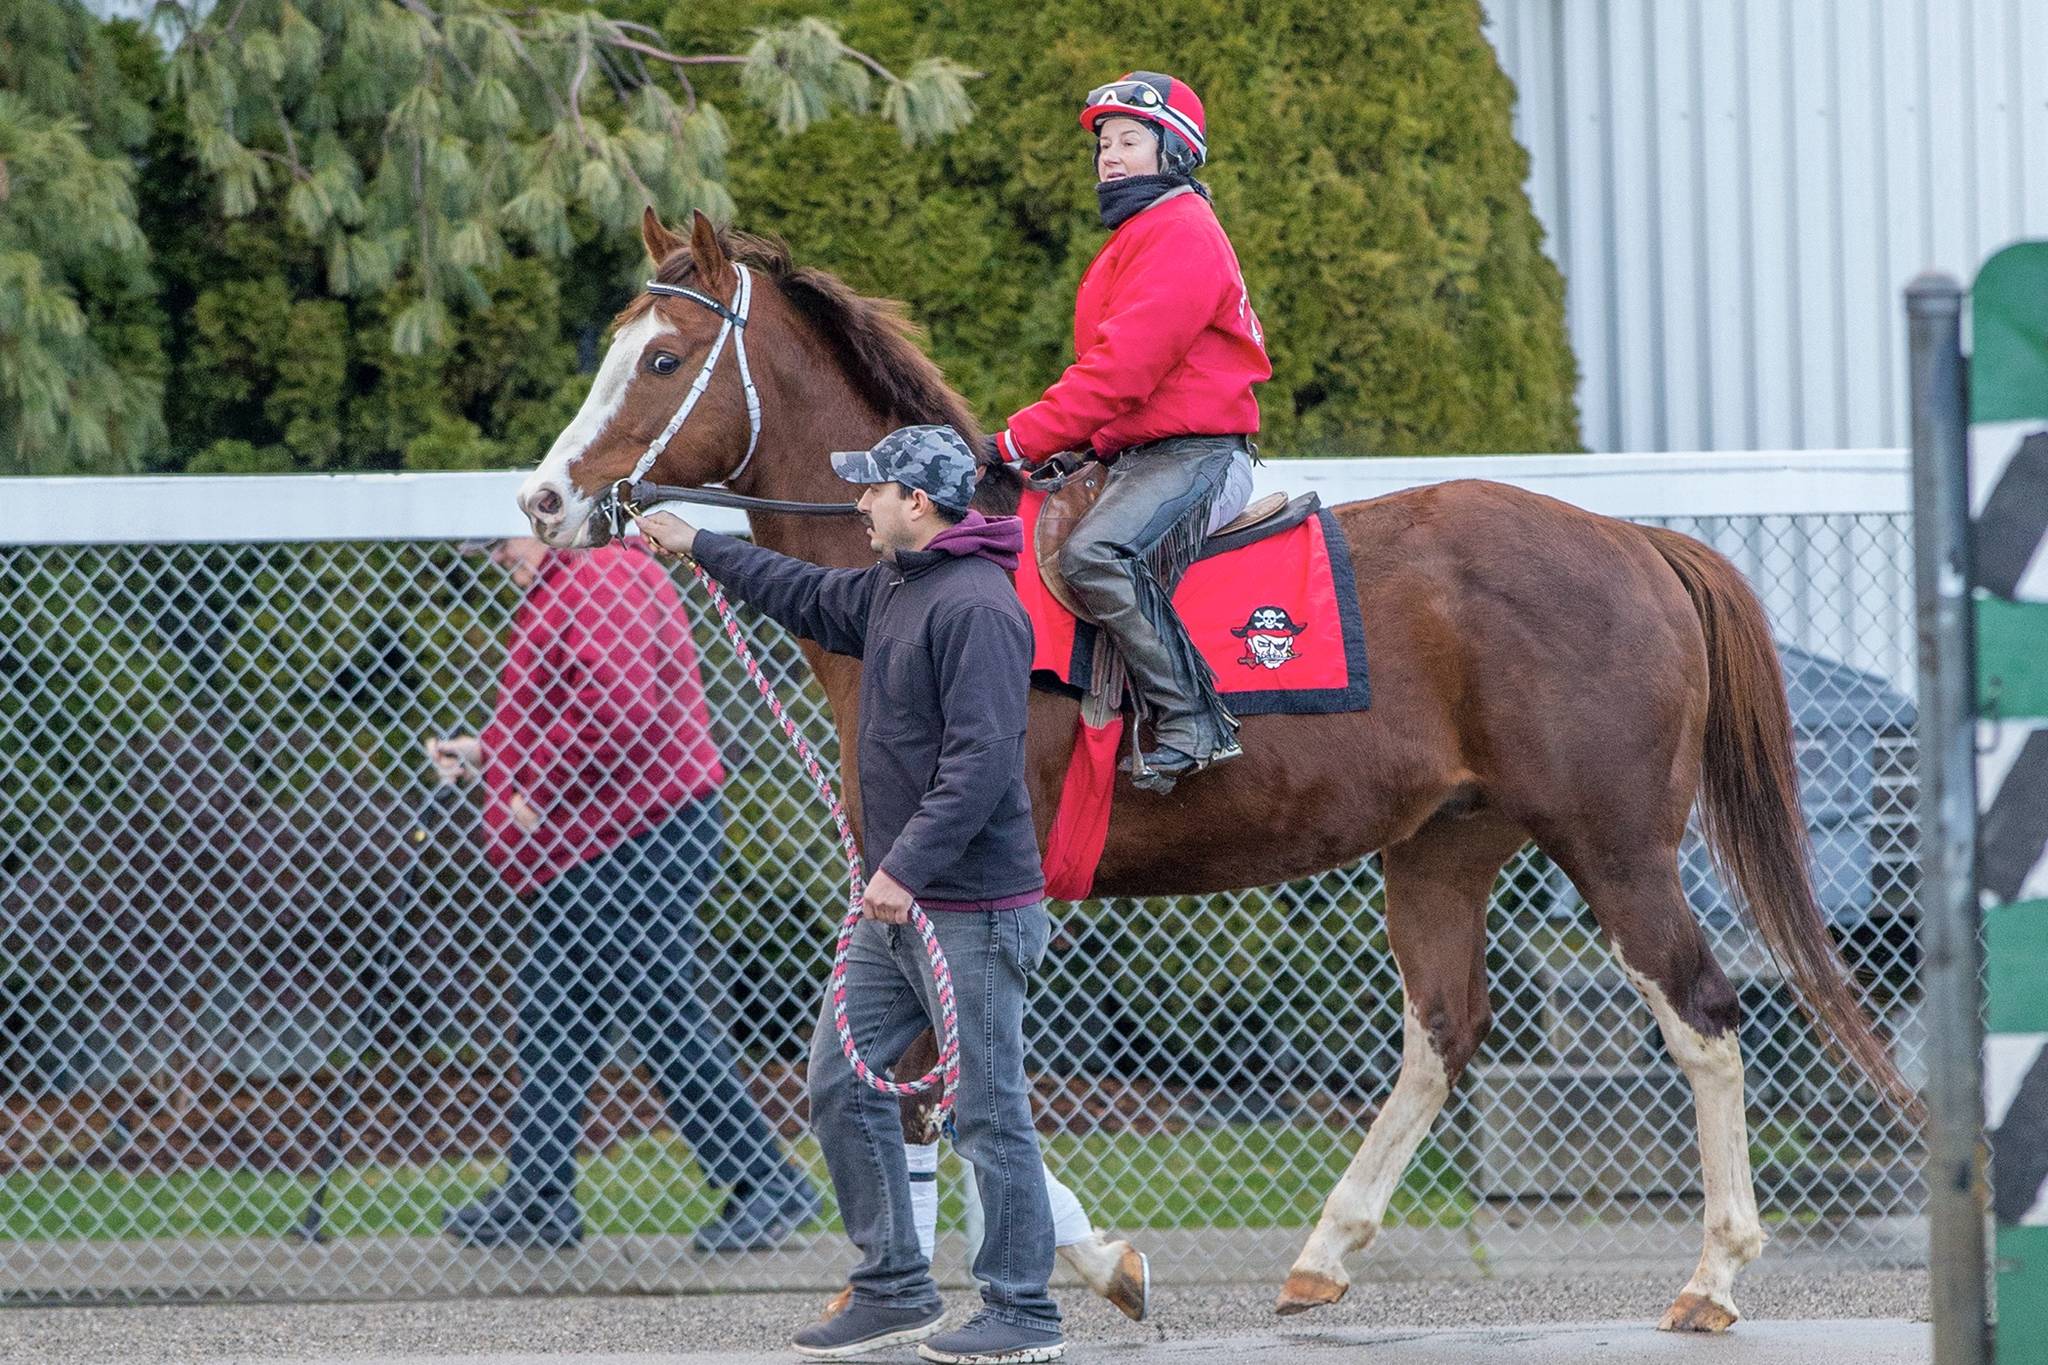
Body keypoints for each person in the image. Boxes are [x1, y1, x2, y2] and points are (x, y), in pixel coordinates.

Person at [636, 425, 1066, 1365]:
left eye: (874, 490)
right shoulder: (893, 588)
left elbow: (985, 762)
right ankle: (894, 1286)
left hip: (970, 909)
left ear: (919, 502)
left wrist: (900, 868)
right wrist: (698, 541)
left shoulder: (979, 607)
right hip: (903, 909)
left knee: (988, 1110)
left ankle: (1024, 1311)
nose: (858, 503)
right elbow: (808, 595)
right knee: (839, 1080)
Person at [427, 535, 818, 1253]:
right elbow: (572, 707)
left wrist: (530, 785)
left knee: (658, 1011)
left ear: (552, 522)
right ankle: (539, 1196)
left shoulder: (601, 577)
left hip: (637, 839)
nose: (493, 558)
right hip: (609, 842)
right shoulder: (576, 584)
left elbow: (620, 710)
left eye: (497, 542)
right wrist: (490, 752)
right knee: (554, 1015)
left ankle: (768, 1182)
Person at [984, 71, 1272, 790]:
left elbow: (1121, 373)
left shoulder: (1181, 232)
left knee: (1094, 552)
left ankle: (1193, 720)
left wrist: (1014, 442)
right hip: (1145, 455)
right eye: (1104, 145)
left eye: (1129, 141)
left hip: (1196, 456)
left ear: (1172, 150)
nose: (1110, 157)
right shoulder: (1144, 233)